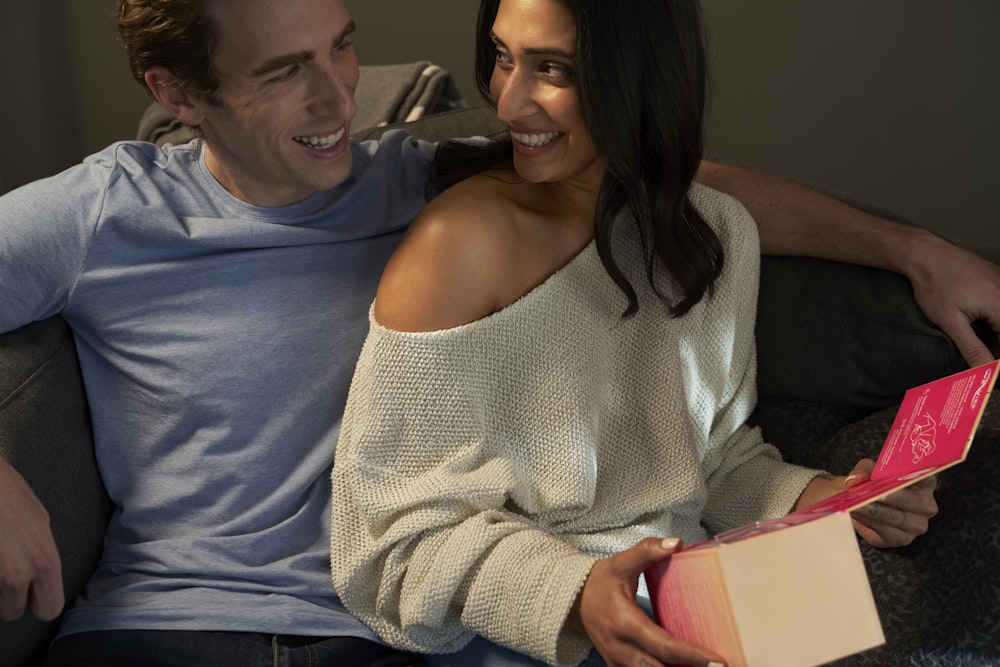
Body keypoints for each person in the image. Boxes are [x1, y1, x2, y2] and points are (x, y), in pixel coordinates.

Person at [0, 0, 995, 665]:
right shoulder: (98, 217)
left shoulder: (407, 173)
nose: (339, 96)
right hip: (177, 622)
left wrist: (910, 249)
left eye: (342, 44)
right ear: (178, 96)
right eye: (285, 72)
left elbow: (663, 183)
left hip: (383, 634)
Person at [328, 2, 943, 667]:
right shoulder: (458, 246)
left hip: (684, 601)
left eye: (552, 69)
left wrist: (832, 498)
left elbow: (710, 463)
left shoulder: (716, 234)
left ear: (639, 77)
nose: (508, 103)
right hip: (524, 631)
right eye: (504, 58)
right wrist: (578, 592)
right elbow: (385, 544)